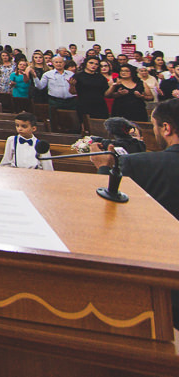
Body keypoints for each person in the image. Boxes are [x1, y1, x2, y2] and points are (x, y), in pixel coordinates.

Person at [93, 100, 179, 325]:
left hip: (162, 275)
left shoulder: (139, 164)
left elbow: (107, 212)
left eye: (155, 126)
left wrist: (103, 168)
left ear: (167, 128)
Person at [71, 56, 110, 133]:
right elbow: (73, 92)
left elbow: (105, 93)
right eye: (91, 63)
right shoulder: (78, 76)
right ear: (86, 64)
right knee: (85, 127)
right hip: (84, 104)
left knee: (101, 127)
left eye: (96, 64)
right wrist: (72, 85)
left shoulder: (100, 77)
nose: (94, 65)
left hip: (99, 105)